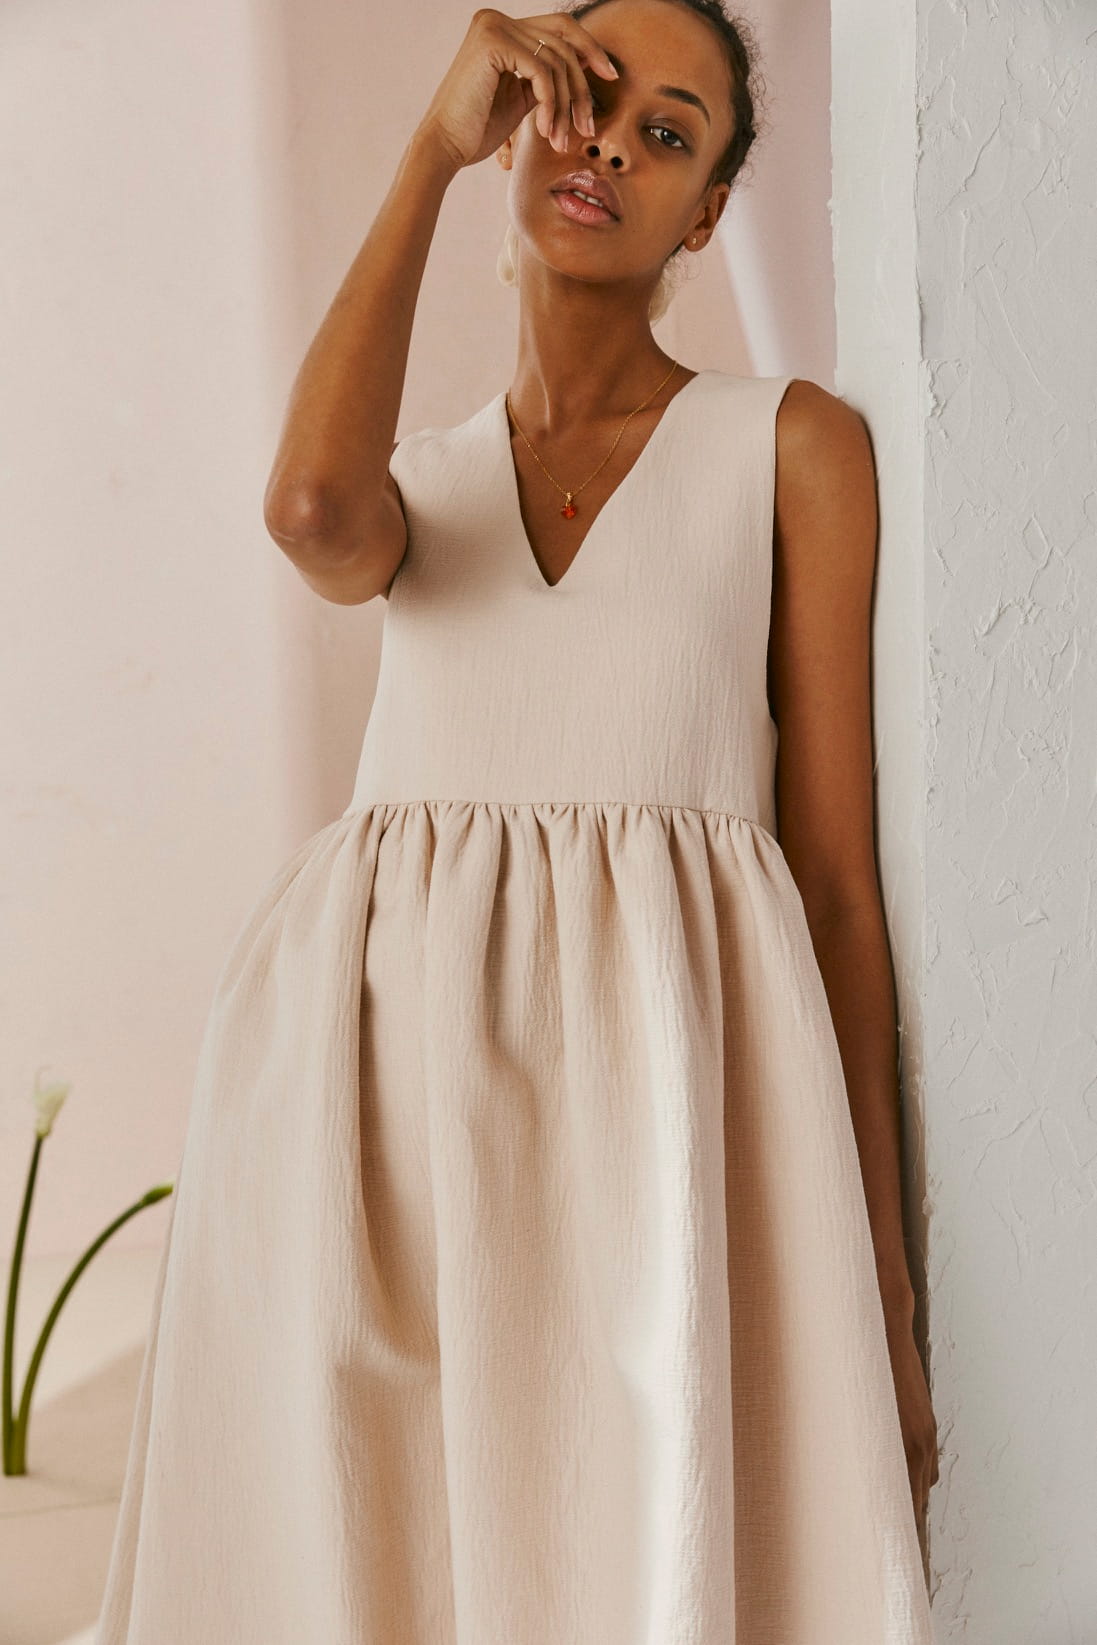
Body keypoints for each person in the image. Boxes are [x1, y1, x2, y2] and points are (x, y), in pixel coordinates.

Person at [96, 3, 939, 1641]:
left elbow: (835, 886)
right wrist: (431, 144)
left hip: (661, 1126)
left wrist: (886, 1292)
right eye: (583, 97)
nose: (609, 142)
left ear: (703, 214)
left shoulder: (789, 448)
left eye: (669, 131)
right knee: (383, 1560)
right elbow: (306, 514)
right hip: (372, 1132)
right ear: (518, 126)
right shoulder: (416, 486)